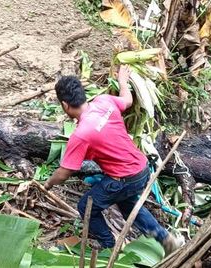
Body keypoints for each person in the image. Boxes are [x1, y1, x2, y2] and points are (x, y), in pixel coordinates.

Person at [44, 65, 183, 255]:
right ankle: (165, 239)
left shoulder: (81, 134)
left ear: (65, 105)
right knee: (128, 205)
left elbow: (64, 172)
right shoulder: (104, 102)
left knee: (86, 206)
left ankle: (109, 247)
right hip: (141, 169)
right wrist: (123, 82)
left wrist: (47, 185)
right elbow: (127, 100)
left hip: (124, 178)